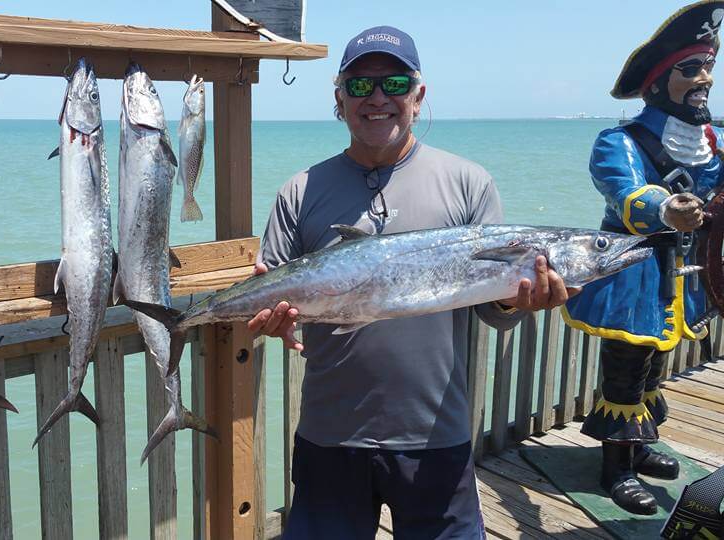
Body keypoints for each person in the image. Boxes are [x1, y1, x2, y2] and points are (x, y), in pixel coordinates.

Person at [249, 26, 576, 539]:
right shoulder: (300, 190)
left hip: (434, 435)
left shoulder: (469, 183)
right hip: (331, 433)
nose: (377, 98)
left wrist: (519, 303)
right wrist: (269, 320)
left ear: (418, 96)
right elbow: (274, 289)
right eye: (360, 86)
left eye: (394, 83)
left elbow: (492, 309)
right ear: (339, 98)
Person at [563, 0, 724, 516]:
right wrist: (665, 207)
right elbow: (624, 193)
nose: (704, 79)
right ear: (658, 81)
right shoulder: (620, 140)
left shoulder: (709, 143)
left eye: (709, 67)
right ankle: (617, 467)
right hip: (633, 272)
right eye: (691, 69)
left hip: (683, 275)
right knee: (626, 370)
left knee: (657, 365)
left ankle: (641, 443)